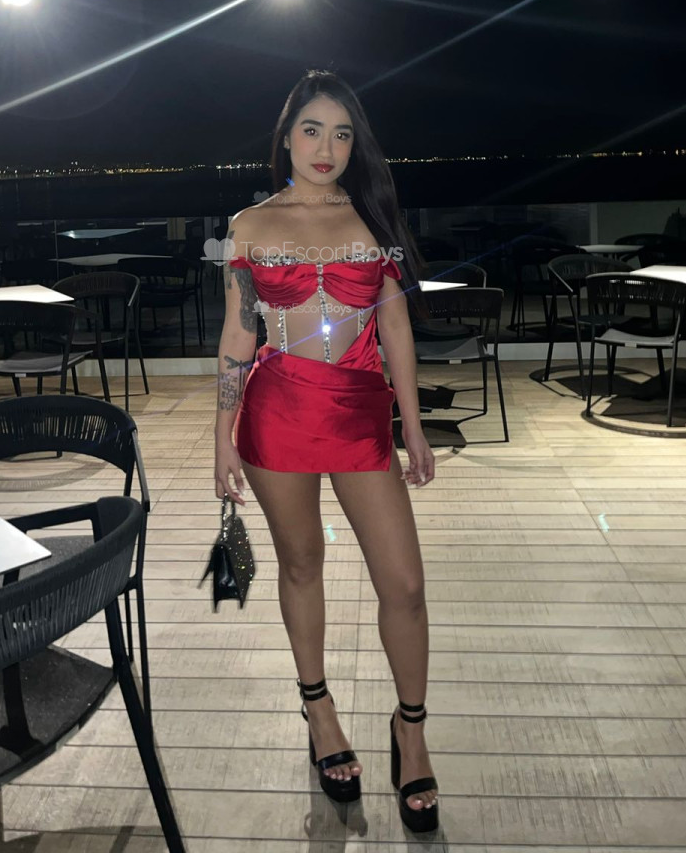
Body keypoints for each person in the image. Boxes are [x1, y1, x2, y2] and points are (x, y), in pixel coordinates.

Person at [213, 69, 440, 833]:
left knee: (404, 584)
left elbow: (395, 326)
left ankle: (410, 728)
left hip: (359, 415)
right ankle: (319, 710)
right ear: (286, 137)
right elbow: (239, 334)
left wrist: (412, 425)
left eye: (342, 133)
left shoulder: (373, 216)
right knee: (301, 563)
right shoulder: (249, 225)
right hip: (276, 414)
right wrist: (222, 437)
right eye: (312, 129)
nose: (327, 147)